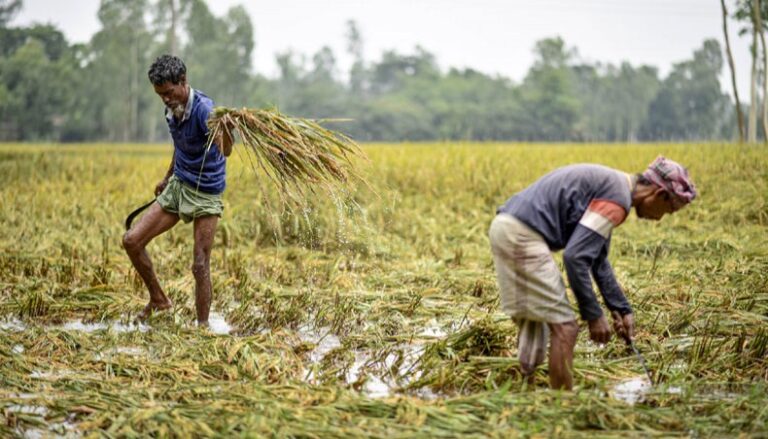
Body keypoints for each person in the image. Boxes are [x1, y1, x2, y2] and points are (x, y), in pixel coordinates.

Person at [489, 156, 696, 390]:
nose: (659, 218)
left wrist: (621, 308)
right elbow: (575, 257)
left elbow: (598, 259)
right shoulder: (617, 199)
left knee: (537, 321)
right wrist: (594, 315)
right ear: (658, 194)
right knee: (565, 328)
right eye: (667, 211)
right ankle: (564, 406)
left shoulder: (614, 187)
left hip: (506, 227)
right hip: (522, 235)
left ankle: (525, 394)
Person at [122, 54, 233, 328]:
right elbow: (179, 144)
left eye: (169, 93)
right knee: (132, 241)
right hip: (180, 183)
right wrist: (167, 176)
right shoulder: (170, 110)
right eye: (160, 95)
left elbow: (226, 150)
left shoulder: (206, 112)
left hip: (207, 190)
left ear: (183, 82)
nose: (166, 99)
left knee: (199, 264)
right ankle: (159, 300)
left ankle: (202, 327)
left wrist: (228, 130)